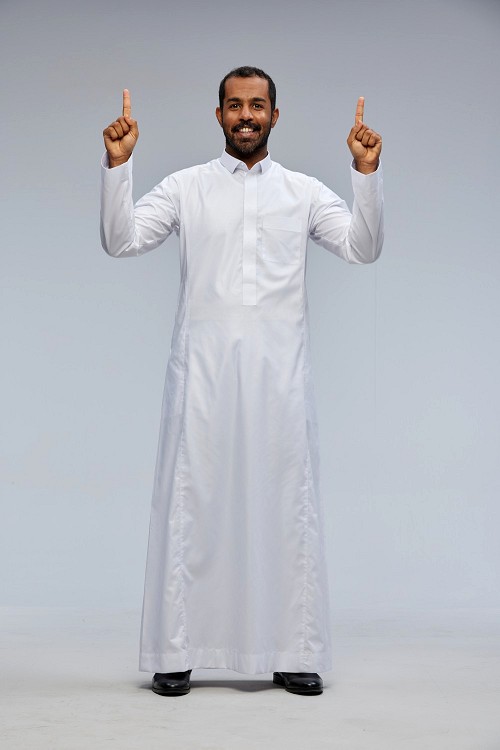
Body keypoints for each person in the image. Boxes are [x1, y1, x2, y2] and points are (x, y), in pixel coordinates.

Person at [100, 66, 383, 697]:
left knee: (285, 505)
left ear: (275, 116)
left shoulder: (303, 192)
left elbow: (362, 248)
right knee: (191, 505)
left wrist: (365, 175)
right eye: (235, 105)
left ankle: (293, 649)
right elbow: (121, 241)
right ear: (219, 115)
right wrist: (118, 165)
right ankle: (176, 651)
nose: (246, 116)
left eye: (257, 106)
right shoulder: (187, 187)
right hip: (201, 375)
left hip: (280, 377)